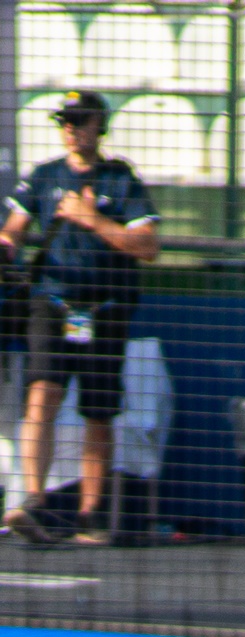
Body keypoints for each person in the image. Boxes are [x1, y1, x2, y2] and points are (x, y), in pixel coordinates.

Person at [0, 90, 159, 545]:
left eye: (81, 120)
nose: (72, 128)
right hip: (52, 303)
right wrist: (7, 246)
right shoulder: (45, 176)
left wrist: (93, 220)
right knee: (42, 394)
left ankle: (90, 515)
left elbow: (147, 246)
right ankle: (34, 500)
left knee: (98, 411)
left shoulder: (120, 180)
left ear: (99, 125)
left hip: (104, 308)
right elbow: (15, 229)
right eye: (65, 121)